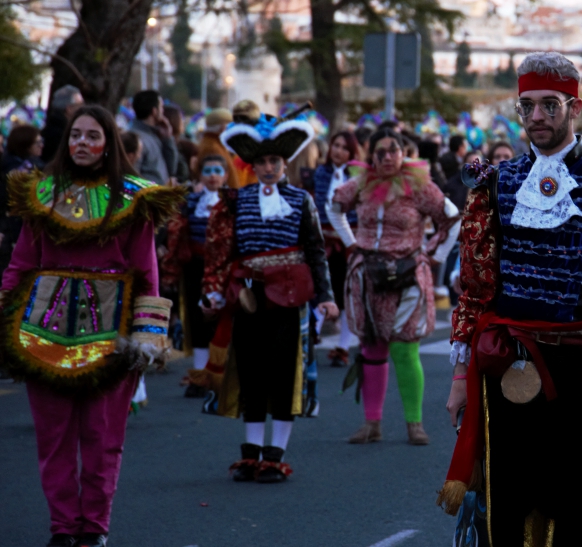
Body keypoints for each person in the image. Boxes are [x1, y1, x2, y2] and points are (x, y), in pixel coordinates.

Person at [440, 52, 582, 546]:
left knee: (576, 506)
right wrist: (460, 375)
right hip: (508, 362)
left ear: (574, 107)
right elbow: (475, 288)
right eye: (527, 107)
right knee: (507, 501)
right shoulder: (500, 181)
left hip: (581, 367)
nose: (537, 117)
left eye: (549, 106)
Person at [0, 104, 182, 547]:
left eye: (92, 135)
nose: (81, 142)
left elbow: (147, 273)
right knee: (53, 437)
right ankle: (63, 527)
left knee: (102, 438)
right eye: (75, 135)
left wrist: (148, 335)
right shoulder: (41, 193)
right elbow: (22, 262)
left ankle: (94, 527)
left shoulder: (133, 199)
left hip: (111, 336)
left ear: (108, 145)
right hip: (42, 333)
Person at [201, 111, 338, 483]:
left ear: (285, 163)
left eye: (274, 161)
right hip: (247, 295)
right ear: (252, 164)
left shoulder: (302, 200)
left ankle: (275, 455)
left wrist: (326, 297)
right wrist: (212, 290)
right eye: (261, 161)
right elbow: (219, 250)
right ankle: (250, 453)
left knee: (281, 372)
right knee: (251, 371)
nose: (267, 167)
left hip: (290, 298)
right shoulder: (236, 201)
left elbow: (315, 250)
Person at [326, 128, 459, 445]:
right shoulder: (359, 183)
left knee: (404, 347)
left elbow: (451, 218)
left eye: (393, 151)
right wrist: (351, 243)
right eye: (380, 152)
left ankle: (415, 423)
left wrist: (434, 255)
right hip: (368, 275)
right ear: (371, 155)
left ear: (403, 154)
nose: (387, 157)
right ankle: (372, 424)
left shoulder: (420, 186)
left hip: (408, 275)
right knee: (372, 348)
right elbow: (334, 206)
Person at [161, 154, 229, 397]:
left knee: (219, 321)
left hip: (222, 271)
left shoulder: (233, 203)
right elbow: (174, 232)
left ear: (226, 176)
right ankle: (200, 375)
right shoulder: (190, 202)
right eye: (208, 171)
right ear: (200, 176)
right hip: (194, 269)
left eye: (217, 171)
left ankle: (220, 375)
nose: (212, 175)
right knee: (197, 320)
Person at [306, 131, 363, 367]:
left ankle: (343, 346)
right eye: (335, 145)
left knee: (348, 293)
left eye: (344, 147)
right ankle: (312, 337)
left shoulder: (358, 176)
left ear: (351, 152)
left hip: (349, 239)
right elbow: (317, 206)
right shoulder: (321, 172)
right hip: (323, 240)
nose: (338, 151)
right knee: (318, 288)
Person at [0, 124, 45, 272]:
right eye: (37, 142)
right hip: (12, 234)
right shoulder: (19, 170)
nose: (41, 145)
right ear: (25, 145)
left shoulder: (36, 167)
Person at [129, 90, 179, 185]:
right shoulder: (135, 138)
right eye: (161, 107)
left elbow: (171, 169)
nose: (163, 111)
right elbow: (132, 176)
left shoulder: (154, 135)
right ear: (154, 111)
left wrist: (168, 139)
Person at [40, 84, 84, 164]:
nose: (83, 109)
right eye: (80, 105)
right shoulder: (62, 134)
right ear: (69, 109)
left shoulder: (50, 128)